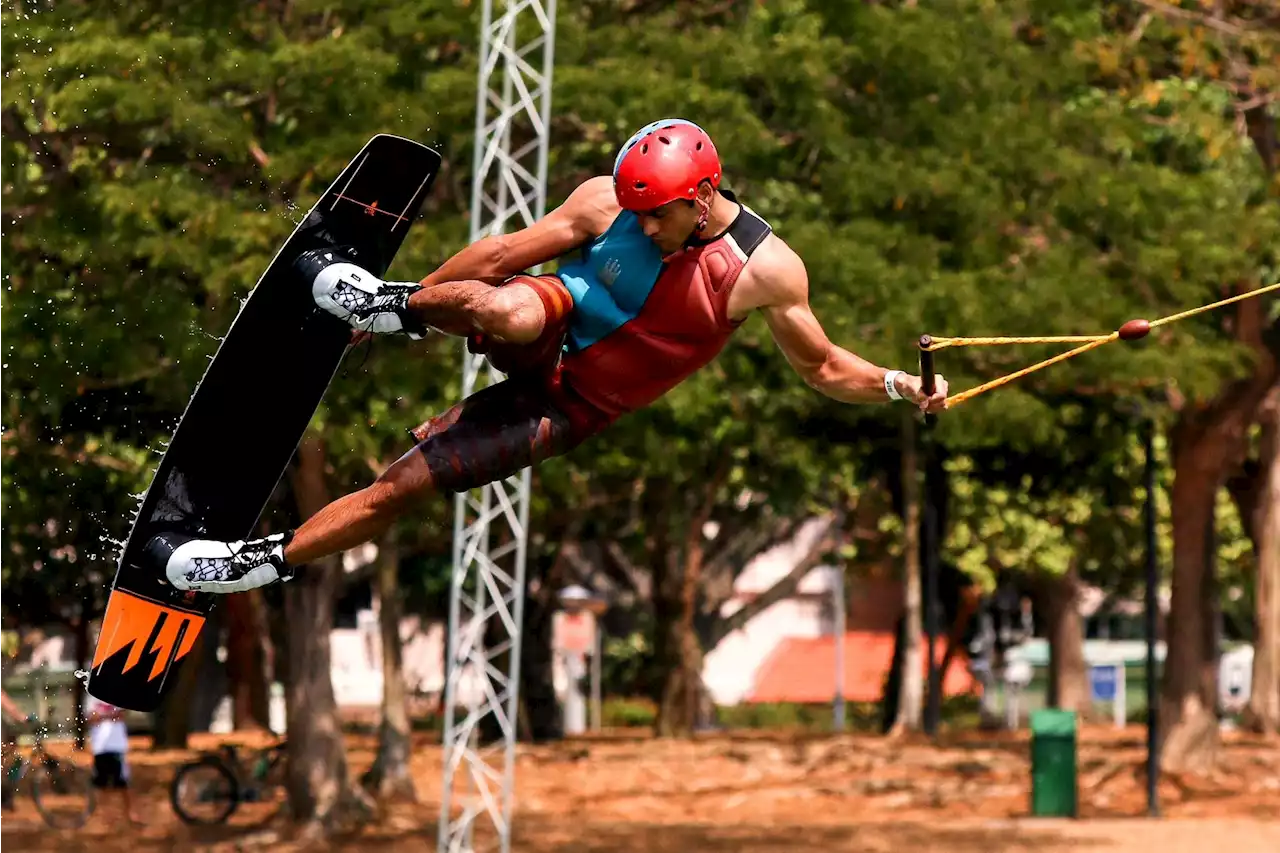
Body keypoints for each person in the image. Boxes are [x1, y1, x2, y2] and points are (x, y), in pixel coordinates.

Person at [160, 118, 949, 593]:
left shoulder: (764, 271)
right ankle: (374, 304)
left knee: (399, 489)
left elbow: (820, 367)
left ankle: (250, 563)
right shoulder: (610, 200)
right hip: (553, 316)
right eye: (633, 210)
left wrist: (892, 384)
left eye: (657, 216)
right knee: (504, 300)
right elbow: (503, 251)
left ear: (703, 197)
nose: (640, 227)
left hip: (569, 406)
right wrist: (413, 302)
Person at [83, 693, 143, 825]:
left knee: (123, 782)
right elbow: (91, 717)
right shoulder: (91, 696)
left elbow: (121, 715)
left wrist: (102, 716)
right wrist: (110, 715)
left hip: (117, 744)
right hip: (99, 745)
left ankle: (129, 813)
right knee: (101, 783)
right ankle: (102, 815)